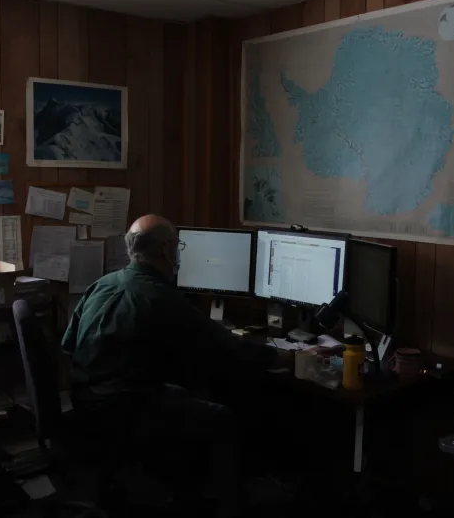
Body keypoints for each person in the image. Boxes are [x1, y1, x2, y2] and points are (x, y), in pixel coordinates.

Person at [62, 215, 288, 517]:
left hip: (86, 404)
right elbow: (227, 349)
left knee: (187, 391)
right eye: (179, 246)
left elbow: (68, 346)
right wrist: (284, 357)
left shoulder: (101, 285)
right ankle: (230, 506)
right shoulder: (162, 297)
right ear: (167, 250)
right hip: (125, 410)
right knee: (221, 418)